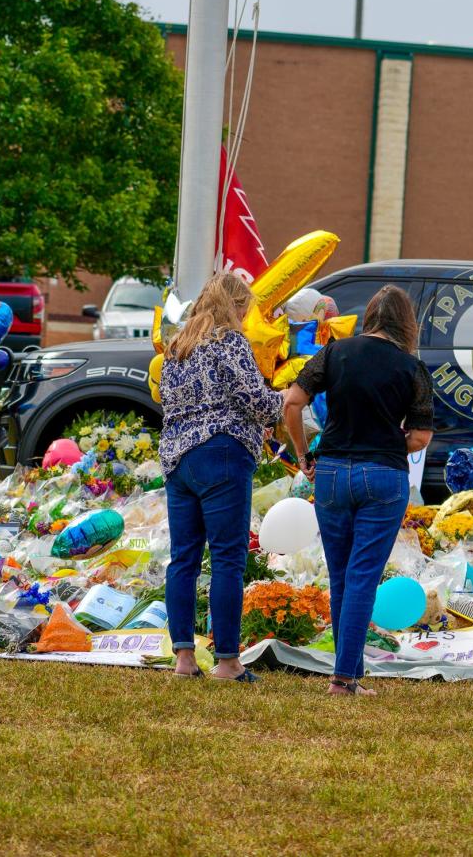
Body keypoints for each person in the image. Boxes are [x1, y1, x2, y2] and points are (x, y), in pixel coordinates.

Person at [282, 283, 433, 697]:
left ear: (369, 317)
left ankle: (349, 673)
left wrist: (301, 454)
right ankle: (344, 680)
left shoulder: (335, 352)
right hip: (382, 475)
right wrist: (388, 440)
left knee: (342, 577)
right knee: (363, 575)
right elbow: (419, 437)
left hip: (330, 472)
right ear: (406, 323)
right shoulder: (411, 368)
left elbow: (292, 402)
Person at [160, 271, 283, 682]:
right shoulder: (230, 343)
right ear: (236, 306)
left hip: (178, 459)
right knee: (228, 560)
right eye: (246, 308)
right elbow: (255, 400)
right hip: (222, 453)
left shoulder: (177, 346)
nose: (248, 317)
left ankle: (183, 658)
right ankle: (229, 662)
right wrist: (286, 399)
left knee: (184, 559)